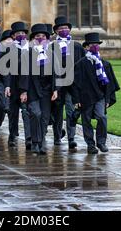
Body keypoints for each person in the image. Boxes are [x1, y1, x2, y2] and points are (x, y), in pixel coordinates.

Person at [73, 33, 120, 154]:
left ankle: (101, 142)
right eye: (92, 45)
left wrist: (108, 99)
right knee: (86, 121)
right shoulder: (81, 64)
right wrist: (77, 100)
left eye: (97, 45)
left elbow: (109, 84)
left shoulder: (105, 64)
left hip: (100, 97)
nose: (95, 47)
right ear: (87, 47)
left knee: (102, 117)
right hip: (85, 97)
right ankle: (90, 144)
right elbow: (75, 83)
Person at [19, 24, 58, 155]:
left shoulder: (51, 54)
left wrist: (55, 90)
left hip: (47, 90)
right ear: (33, 39)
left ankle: (41, 142)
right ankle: (35, 141)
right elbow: (24, 74)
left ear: (47, 38)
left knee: (45, 117)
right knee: (36, 114)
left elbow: (55, 73)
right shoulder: (27, 54)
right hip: (32, 89)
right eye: (37, 36)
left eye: (43, 36)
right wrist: (23, 91)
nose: (40, 38)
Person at [51, 16, 85, 149]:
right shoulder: (52, 47)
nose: (64, 30)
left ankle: (71, 138)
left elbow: (82, 66)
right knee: (57, 112)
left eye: (66, 28)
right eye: (61, 28)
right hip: (58, 84)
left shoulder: (77, 47)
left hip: (72, 85)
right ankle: (57, 136)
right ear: (56, 31)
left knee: (71, 112)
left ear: (70, 30)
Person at [5, 22, 31, 149]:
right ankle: (13, 135)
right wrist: (7, 86)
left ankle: (28, 138)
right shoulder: (9, 50)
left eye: (23, 33)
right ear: (14, 36)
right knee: (13, 113)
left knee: (26, 112)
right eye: (18, 33)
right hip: (13, 86)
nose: (21, 35)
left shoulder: (30, 49)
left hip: (26, 87)